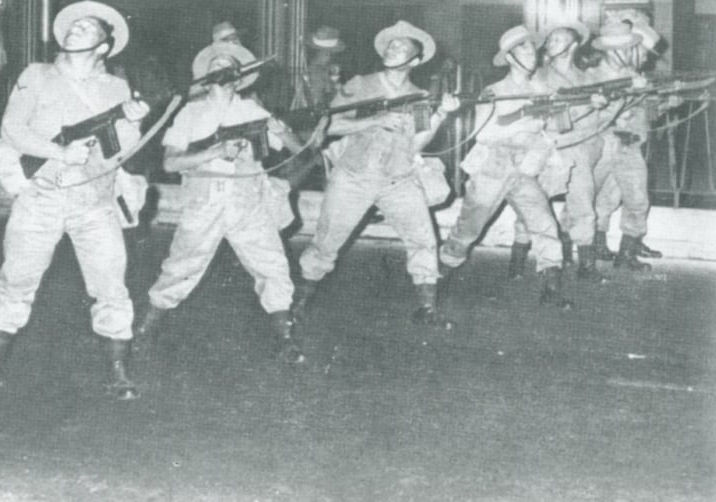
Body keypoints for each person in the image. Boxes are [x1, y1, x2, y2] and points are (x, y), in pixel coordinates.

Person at [0, 0, 150, 400]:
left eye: (86, 28)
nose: (73, 30)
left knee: (110, 285)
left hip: (94, 202)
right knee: (15, 280)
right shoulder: (37, 75)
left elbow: (121, 153)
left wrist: (133, 124)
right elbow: (12, 128)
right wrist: (58, 153)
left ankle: (118, 371)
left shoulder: (115, 87)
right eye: (72, 26)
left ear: (104, 46)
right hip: (42, 196)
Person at [134, 41, 306, 364]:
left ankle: (285, 339)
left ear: (239, 79)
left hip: (247, 203)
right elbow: (170, 163)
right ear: (207, 77)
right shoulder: (190, 112)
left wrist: (283, 132)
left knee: (273, 267)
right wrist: (213, 152)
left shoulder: (254, 111)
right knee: (180, 268)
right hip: (204, 202)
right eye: (216, 66)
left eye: (229, 66)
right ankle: (145, 330)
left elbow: (300, 150)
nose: (223, 71)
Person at [293, 20, 461, 327]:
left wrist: (442, 115)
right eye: (390, 45)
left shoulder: (419, 96)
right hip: (354, 176)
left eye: (401, 47)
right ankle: (298, 303)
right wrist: (374, 120)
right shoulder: (360, 84)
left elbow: (417, 143)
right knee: (326, 242)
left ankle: (427, 308)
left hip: (398, 179)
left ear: (415, 60)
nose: (392, 49)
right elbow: (331, 125)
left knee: (424, 239)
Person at [440, 25, 572, 308]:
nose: (532, 52)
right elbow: (484, 134)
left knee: (545, 224)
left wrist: (546, 131)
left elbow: (558, 128)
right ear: (510, 57)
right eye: (523, 48)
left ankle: (552, 288)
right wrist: (523, 124)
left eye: (532, 47)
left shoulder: (544, 89)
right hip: (494, 166)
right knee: (469, 227)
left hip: (525, 168)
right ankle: (441, 276)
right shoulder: (495, 91)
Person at [508, 21, 609, 284]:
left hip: (578, 149)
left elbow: (602, 119)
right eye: (549, 39)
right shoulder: (538, 76)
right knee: (531, 207)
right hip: (546, 149)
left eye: (558, 39)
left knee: (583, 206)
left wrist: (599, 106)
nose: (550, 43)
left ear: (573, 45)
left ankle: (586, 265)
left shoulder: (588, 78)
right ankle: (517, 260)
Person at [589, 22, 677, 271]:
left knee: (637, 199)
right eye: (630, 49)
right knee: (598, 199)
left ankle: (626, 254)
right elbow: (592, 115)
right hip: (605, 144)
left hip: (629, 146)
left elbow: (645, 113)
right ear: (611, 50)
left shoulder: (634, 77)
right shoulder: (592, 77)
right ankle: (592, 247)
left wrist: (666, 103)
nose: (636, 55)